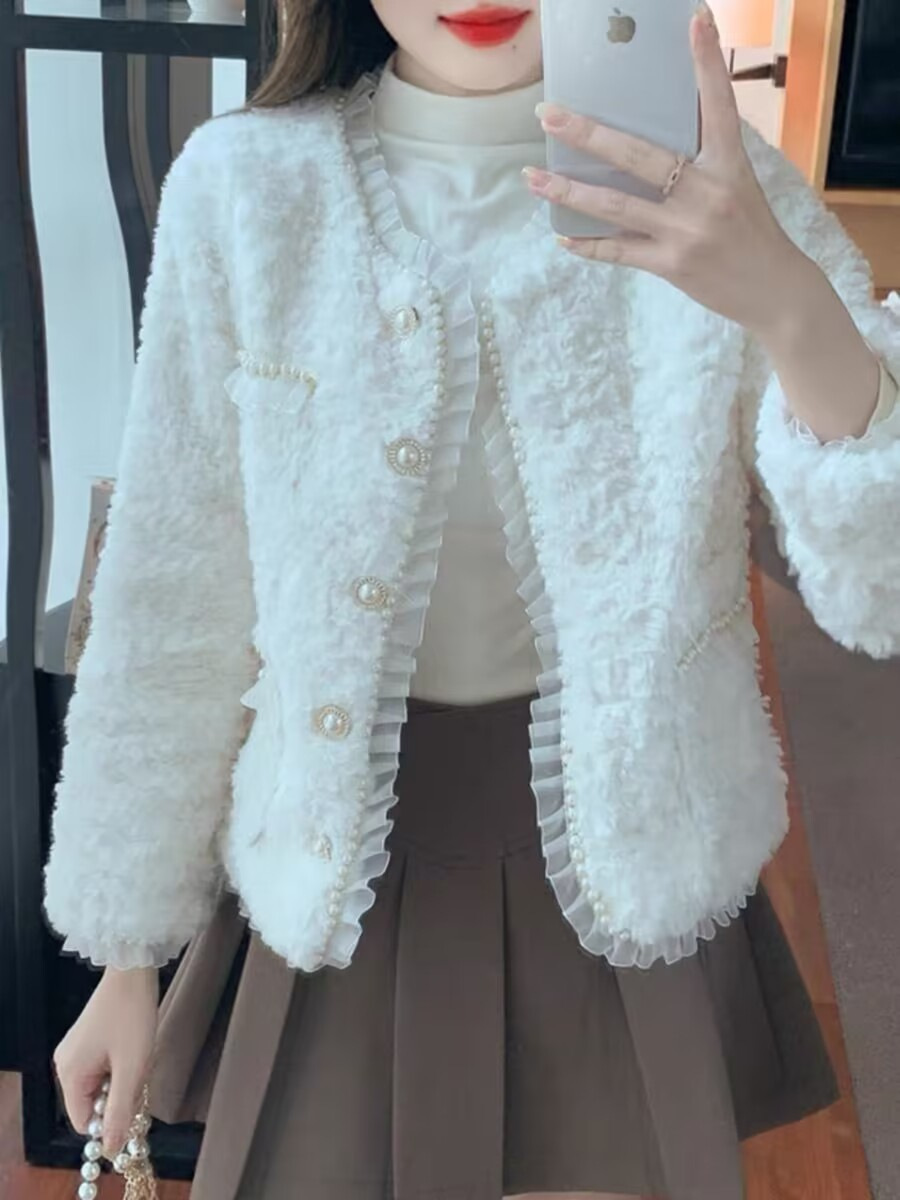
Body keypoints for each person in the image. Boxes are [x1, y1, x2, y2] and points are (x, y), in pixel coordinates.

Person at [44, 1, 900, 1198]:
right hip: (334, 879)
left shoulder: (716, 184)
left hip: (624, 879)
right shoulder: (246, 190)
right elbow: (171, 585)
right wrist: (125, 950)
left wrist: (789, 302)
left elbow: (877, 582)